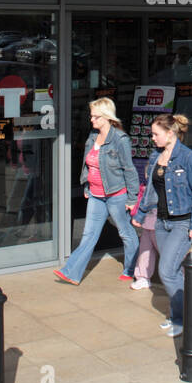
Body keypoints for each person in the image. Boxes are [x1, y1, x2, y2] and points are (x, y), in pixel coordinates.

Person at [55, 98, 139, 285]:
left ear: (107, 117)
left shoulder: (120, 140)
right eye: (91, 116)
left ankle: (132, 268)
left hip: (116, 194)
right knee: (89, 234)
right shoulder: (92, 137)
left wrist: (132, 198)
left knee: (125, 232)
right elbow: (88, 164)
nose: (92, 120)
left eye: (96, 117)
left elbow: (129, 169)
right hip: (95, 194)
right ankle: (71, 273)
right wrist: (86, 186)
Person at [138, 112, 192, 337]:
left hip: (181, 223)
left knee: (166, 270)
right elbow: (150, 191)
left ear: (170, 133)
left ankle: (184, 318)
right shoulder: (156, 156)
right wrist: (140, 213)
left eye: (156, 134)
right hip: (161, 222)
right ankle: (180, 314)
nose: (153, 138)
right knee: (172, 271)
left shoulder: (188, 157)